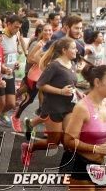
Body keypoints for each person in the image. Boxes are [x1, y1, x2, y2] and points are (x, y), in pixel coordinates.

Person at [21, 38, 78, 166]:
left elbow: (71, 84)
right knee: (53, 144)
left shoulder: (72, 64)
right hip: (54, 108)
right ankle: (28, 148)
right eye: (73, 48)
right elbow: (40, 85)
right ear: (64, 50)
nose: (76, 50)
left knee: (69, 141)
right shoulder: (54, 65)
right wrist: (61, 92)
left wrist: (79, 93)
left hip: (69, 108)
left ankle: (67, 170)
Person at [63, 65, 106, 189]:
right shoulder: (82, 108)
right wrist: (96, 149)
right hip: (81, 164)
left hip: (101, 165)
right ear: (97, 82)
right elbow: (68, 141)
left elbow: (102, 134)